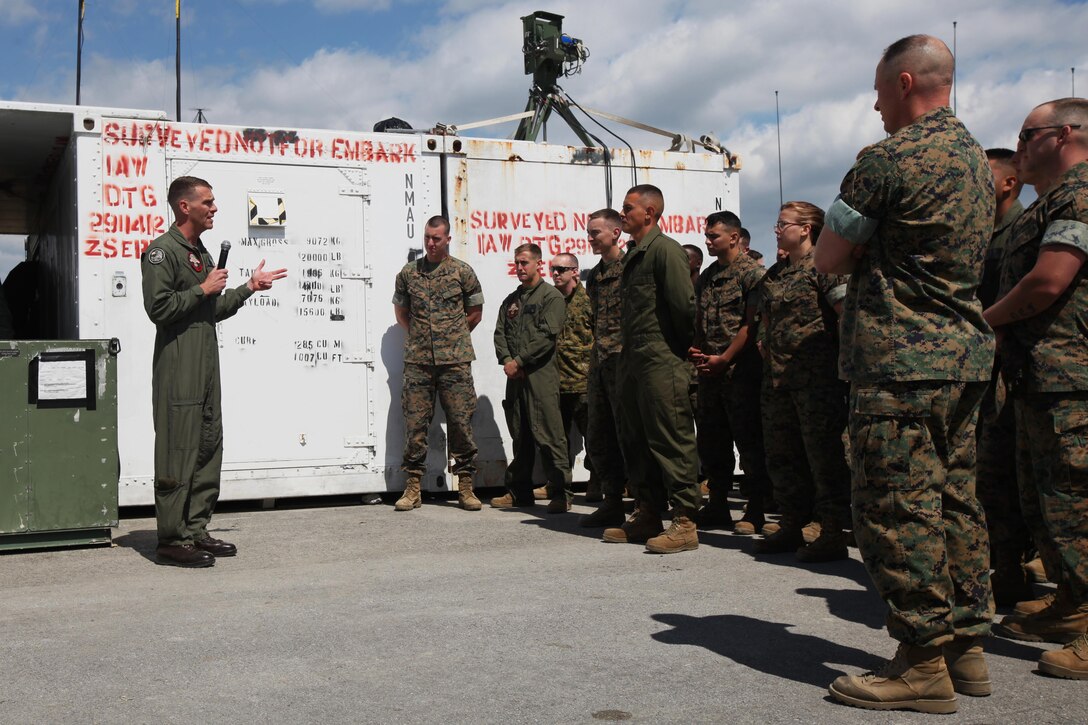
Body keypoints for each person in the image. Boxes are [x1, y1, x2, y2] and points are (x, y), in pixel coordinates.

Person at [814, 35, 995, 712]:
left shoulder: (889, 160)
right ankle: (966, 643)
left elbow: (828, 257)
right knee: (954, 501)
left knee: (895, 508)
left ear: (907, 82)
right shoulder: (977, 160)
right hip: (962, 359)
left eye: (879, 90)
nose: (875, 103)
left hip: (899, 361)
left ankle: (922, 662)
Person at [984, 97, 1088, 678]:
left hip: (1072, 378)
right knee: (1047, 501)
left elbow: (1049, 282)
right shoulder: (1048, 204)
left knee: (1077, 500)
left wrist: (985, 322)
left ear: (1065, 134)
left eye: (1028, 134)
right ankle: (1073, 604)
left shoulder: (1080, 195)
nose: (1019, 145)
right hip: (1040, 377)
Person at [141, 176, 287, 568]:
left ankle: (195, 529)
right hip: (179, 367)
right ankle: (172, 539)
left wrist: (248, 288)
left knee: (207, 446)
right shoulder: (162, 252)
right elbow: (159, 310)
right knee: (178, 450)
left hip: (205, 365)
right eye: (207, 202)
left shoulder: (198, 252)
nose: (214, 208)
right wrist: (202, 289)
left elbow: (212, 310)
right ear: (184, 206)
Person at [603, 184, 700, 554]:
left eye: (628, 208)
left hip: (661, 357)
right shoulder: (632, 255)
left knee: (670, 437)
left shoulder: (665, 251)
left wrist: (674, 349)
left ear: (650, 212)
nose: (622, 213)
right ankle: (647, 513)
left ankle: (686, 521)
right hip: (633, 359)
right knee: (635, 437)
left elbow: (683, 307)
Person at [753, 202, 851, 562]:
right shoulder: (776, 275)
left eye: (783, 224)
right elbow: (765, 319)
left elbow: (845, 317)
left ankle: (831, 531)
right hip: (778, 380)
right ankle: (792, 522)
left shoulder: (825, 266)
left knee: (823, 456)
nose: (777, 230)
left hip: (816, 380)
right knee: (782, 454)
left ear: (806, 228)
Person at [392, 215, 484, 512]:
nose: (431, 243)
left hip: (455, 361)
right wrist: (423, 339)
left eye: (436, 238)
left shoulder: (462, 272)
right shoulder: (409, 273)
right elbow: (401, 314)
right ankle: (413, 487)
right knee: (415, 424)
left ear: (447, 239)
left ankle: (466, 487)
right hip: (418, 362)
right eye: (427, 238)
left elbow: (475, 312)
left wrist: (451, 337)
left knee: (460, 422)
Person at [975, 148, 1033, 605]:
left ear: (1009, 183)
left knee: (1023, 476)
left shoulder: (1025, 228)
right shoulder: (979, 233)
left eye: (984, 174)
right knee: (992, 474)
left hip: (1022, 365)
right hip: (987, 367)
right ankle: (1007, 567)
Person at [689, 211, 769, 535]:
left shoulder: (752, 274)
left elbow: (752, 325)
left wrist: (725, 358)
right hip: (711, 373)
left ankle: (756, 509)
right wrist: (697, 350)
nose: (708, 241)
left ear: (734, 238)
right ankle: (718, 504)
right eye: (707, 236)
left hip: (741, 372)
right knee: (712, 442)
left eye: (714, 236)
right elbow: (699, 322)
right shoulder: (708, 276)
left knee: (749, 442)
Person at [492, 243, 572, 513]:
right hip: (515, 377)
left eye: (525, 262)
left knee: (549, 434)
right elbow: (500, 333)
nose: (520, 268)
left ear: (538, 264)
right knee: (520, 434)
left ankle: (561, 492)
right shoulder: (511, 300)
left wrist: (520, 361)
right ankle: (518, 492)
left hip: (540, 375)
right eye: (517, 263)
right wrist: (507, 361)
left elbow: (547, 337)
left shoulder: (551, 297)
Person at [580, 209, 629, 528]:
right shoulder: (596, 276)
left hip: (627, 365)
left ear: (615, 233)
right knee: (599, 435)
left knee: (631, 436)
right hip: (601, 366)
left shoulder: (632, 268)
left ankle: (645, 503)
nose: (590, 237)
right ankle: (612, 501)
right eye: (588, 231)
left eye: (595, 232)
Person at [542, 252, 597, 502]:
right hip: (556, 381)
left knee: (594, 437)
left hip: (583, 380)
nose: (555, 274)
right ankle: (558, 485)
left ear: (575, 271)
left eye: (561, 269)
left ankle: (597, 481)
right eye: (553, 269)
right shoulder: (551, 300)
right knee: (557, 439)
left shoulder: (589, 300)